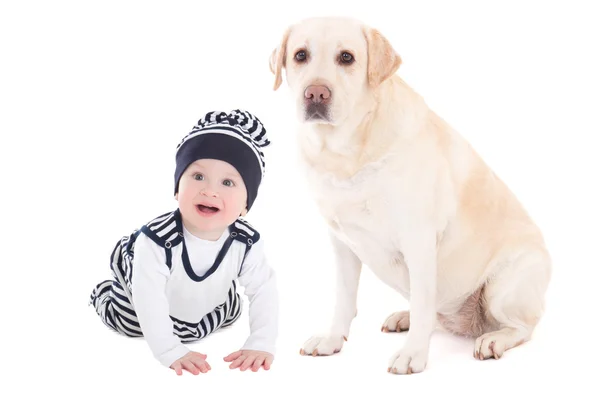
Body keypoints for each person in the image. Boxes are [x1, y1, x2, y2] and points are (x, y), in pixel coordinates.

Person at [89, 109, 278, 375]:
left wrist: (261, 342)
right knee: (128, 322)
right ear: (177, 189)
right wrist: (169, 349)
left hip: (207, 307)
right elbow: (148, 297)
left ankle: (203, 314)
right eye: (198, 176)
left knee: (231, 310)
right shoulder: (156, 241)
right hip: (142, 300)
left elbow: (263, 290)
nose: (210, 190)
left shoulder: (246, 242)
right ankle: (103, 293)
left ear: (245, 206)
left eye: (228, 182)